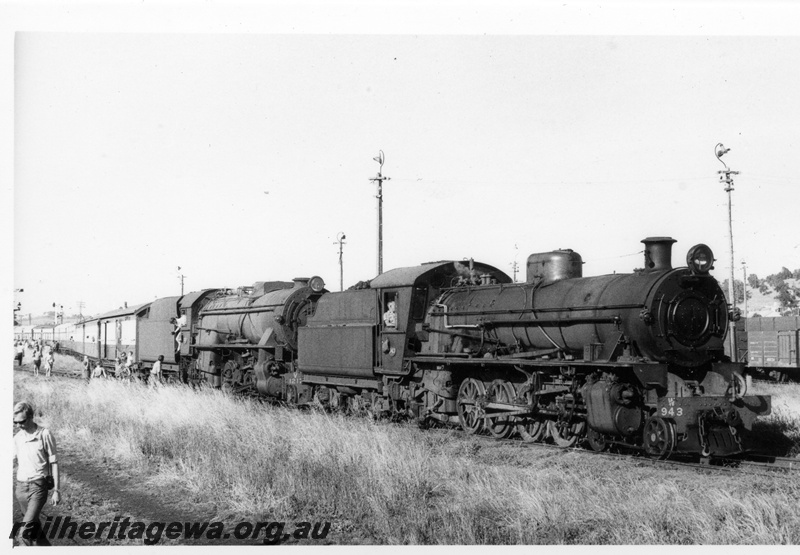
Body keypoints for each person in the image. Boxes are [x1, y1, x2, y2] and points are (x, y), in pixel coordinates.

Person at [13, 401, 60, 546]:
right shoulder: (17, 438)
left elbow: (54, 463)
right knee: (35, 529)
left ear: (31, 417)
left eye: (21, 422)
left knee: (24, 535)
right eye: (15, 422)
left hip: (38, 487)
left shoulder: (44, 434)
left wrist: (57, 490)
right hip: (20, 488)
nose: (18, 425)